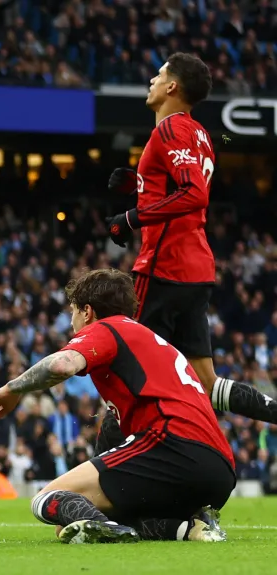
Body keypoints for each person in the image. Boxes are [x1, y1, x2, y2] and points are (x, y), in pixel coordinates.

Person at [0, 268, 234, 544]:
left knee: (46, 499)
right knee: (75, 520)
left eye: (73, 313)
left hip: (172, 447)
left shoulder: (108, 328)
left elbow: (61, 365)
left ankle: (110, 530)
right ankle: (190, 527)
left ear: (87, 312)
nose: (72, 322)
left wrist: (9, 390)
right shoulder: (153, 343)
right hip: (219, 471)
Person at [103, 52, 277, 452]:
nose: (152, 78)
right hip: (196, 271)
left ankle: (112, 485)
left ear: (172, 87)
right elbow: (182, 187)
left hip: (163, 268)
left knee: (125, 376)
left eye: (159, 73)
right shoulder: (199, 135)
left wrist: (131, 217)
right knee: (205, 384)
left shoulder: (168, 131)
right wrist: (138, 182)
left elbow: (193, 193)